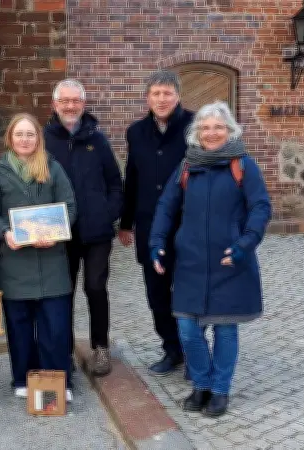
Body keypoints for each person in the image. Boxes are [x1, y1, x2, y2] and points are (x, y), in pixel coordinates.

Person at [149, 101, 271, 417]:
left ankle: (219, 390)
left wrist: (246, 243)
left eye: (218, 127)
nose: (211, 132)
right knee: (188, 329)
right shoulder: (188, 166)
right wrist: (157, 241)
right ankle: (200, 385)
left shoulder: (243, 164)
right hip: (190, 260)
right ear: (197, 133)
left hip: (229, 260)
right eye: (205, 127)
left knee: (225, 329)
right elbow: (166, 206)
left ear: (229, 131)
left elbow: (260, 208)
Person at [0, 113, 78, 401]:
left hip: (52, 262)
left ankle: (59, 381)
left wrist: (59, 231)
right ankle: (22, 378)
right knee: (20, 327)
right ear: (10, 138)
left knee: (56, 326)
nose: (25, 139)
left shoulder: (52, 167)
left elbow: (69, 206)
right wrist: (4, 232)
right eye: (19, 134)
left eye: (30, 134)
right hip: (15, 263)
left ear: (38, 138)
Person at [44, 79, 123, 376]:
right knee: (62, 291)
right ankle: (62, 350)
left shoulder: (98, 140)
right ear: (54, 105)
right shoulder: (44, 140)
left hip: (96, 233)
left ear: (83, 104)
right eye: (64, 100)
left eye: (75, 100)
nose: (70, 106)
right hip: (59, 232)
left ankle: (100, 347)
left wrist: (108, 214)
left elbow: (116, 184)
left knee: (95, 287)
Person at [119, 70, 194, 377]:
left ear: (178, 96)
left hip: (187, 224)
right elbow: (132, 177)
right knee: (157, 292)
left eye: (167, 94)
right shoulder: (136, 132)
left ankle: (194, 353)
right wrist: (125, 222)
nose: (161, 100)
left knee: (188, 291)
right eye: (155, 94)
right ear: (147, 98)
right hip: (150, 227)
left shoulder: (195, 127)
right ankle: (171, 349)